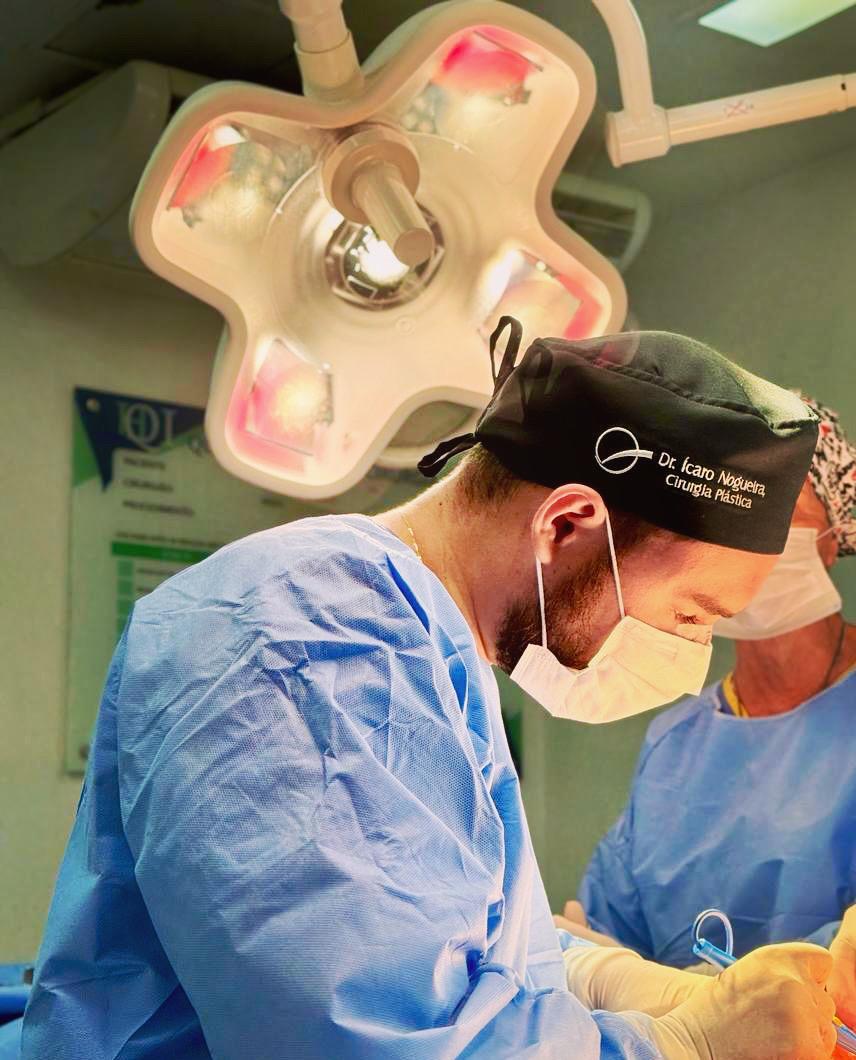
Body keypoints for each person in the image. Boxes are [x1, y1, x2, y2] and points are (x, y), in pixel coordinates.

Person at [22, 321, 838, 1059]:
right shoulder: (308, 648)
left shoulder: (414, 651)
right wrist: (682, 1047)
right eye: (691, 613)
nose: (691, 657)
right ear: (565, 525)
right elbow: (372, 1040)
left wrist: (595, 975)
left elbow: (428, 944)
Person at [572, 396, 856, 993]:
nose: (746, 528)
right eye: (727, 504)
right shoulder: (677, 741)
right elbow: (608, 929)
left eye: (777, 503)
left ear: (832, 535)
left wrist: (733, 998)